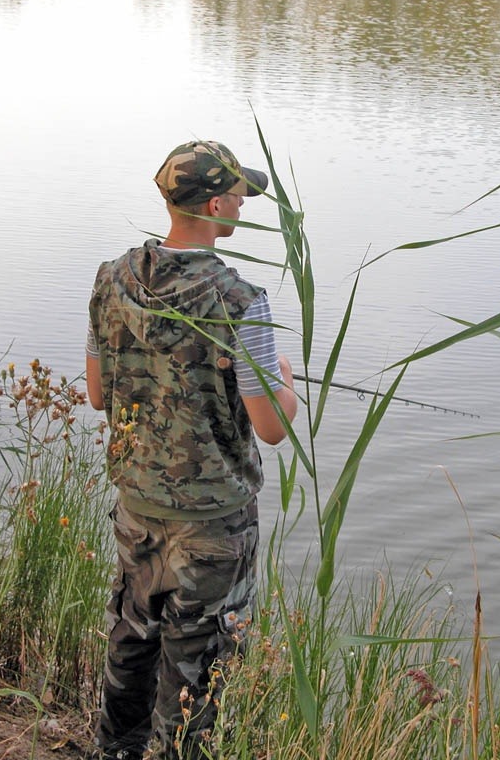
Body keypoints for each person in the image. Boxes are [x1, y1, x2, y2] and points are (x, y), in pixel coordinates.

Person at [85, 140, 298, 760]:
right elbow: (270, 427)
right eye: (238, 193)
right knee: (197, 669)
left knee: (132, 638)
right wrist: (283, 383)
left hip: (137, 504)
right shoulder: (240, 300)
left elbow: (99, 395)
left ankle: (115, 751)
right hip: (213, 523)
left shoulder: (112, 277)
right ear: (213, 204)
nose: (244, 201)